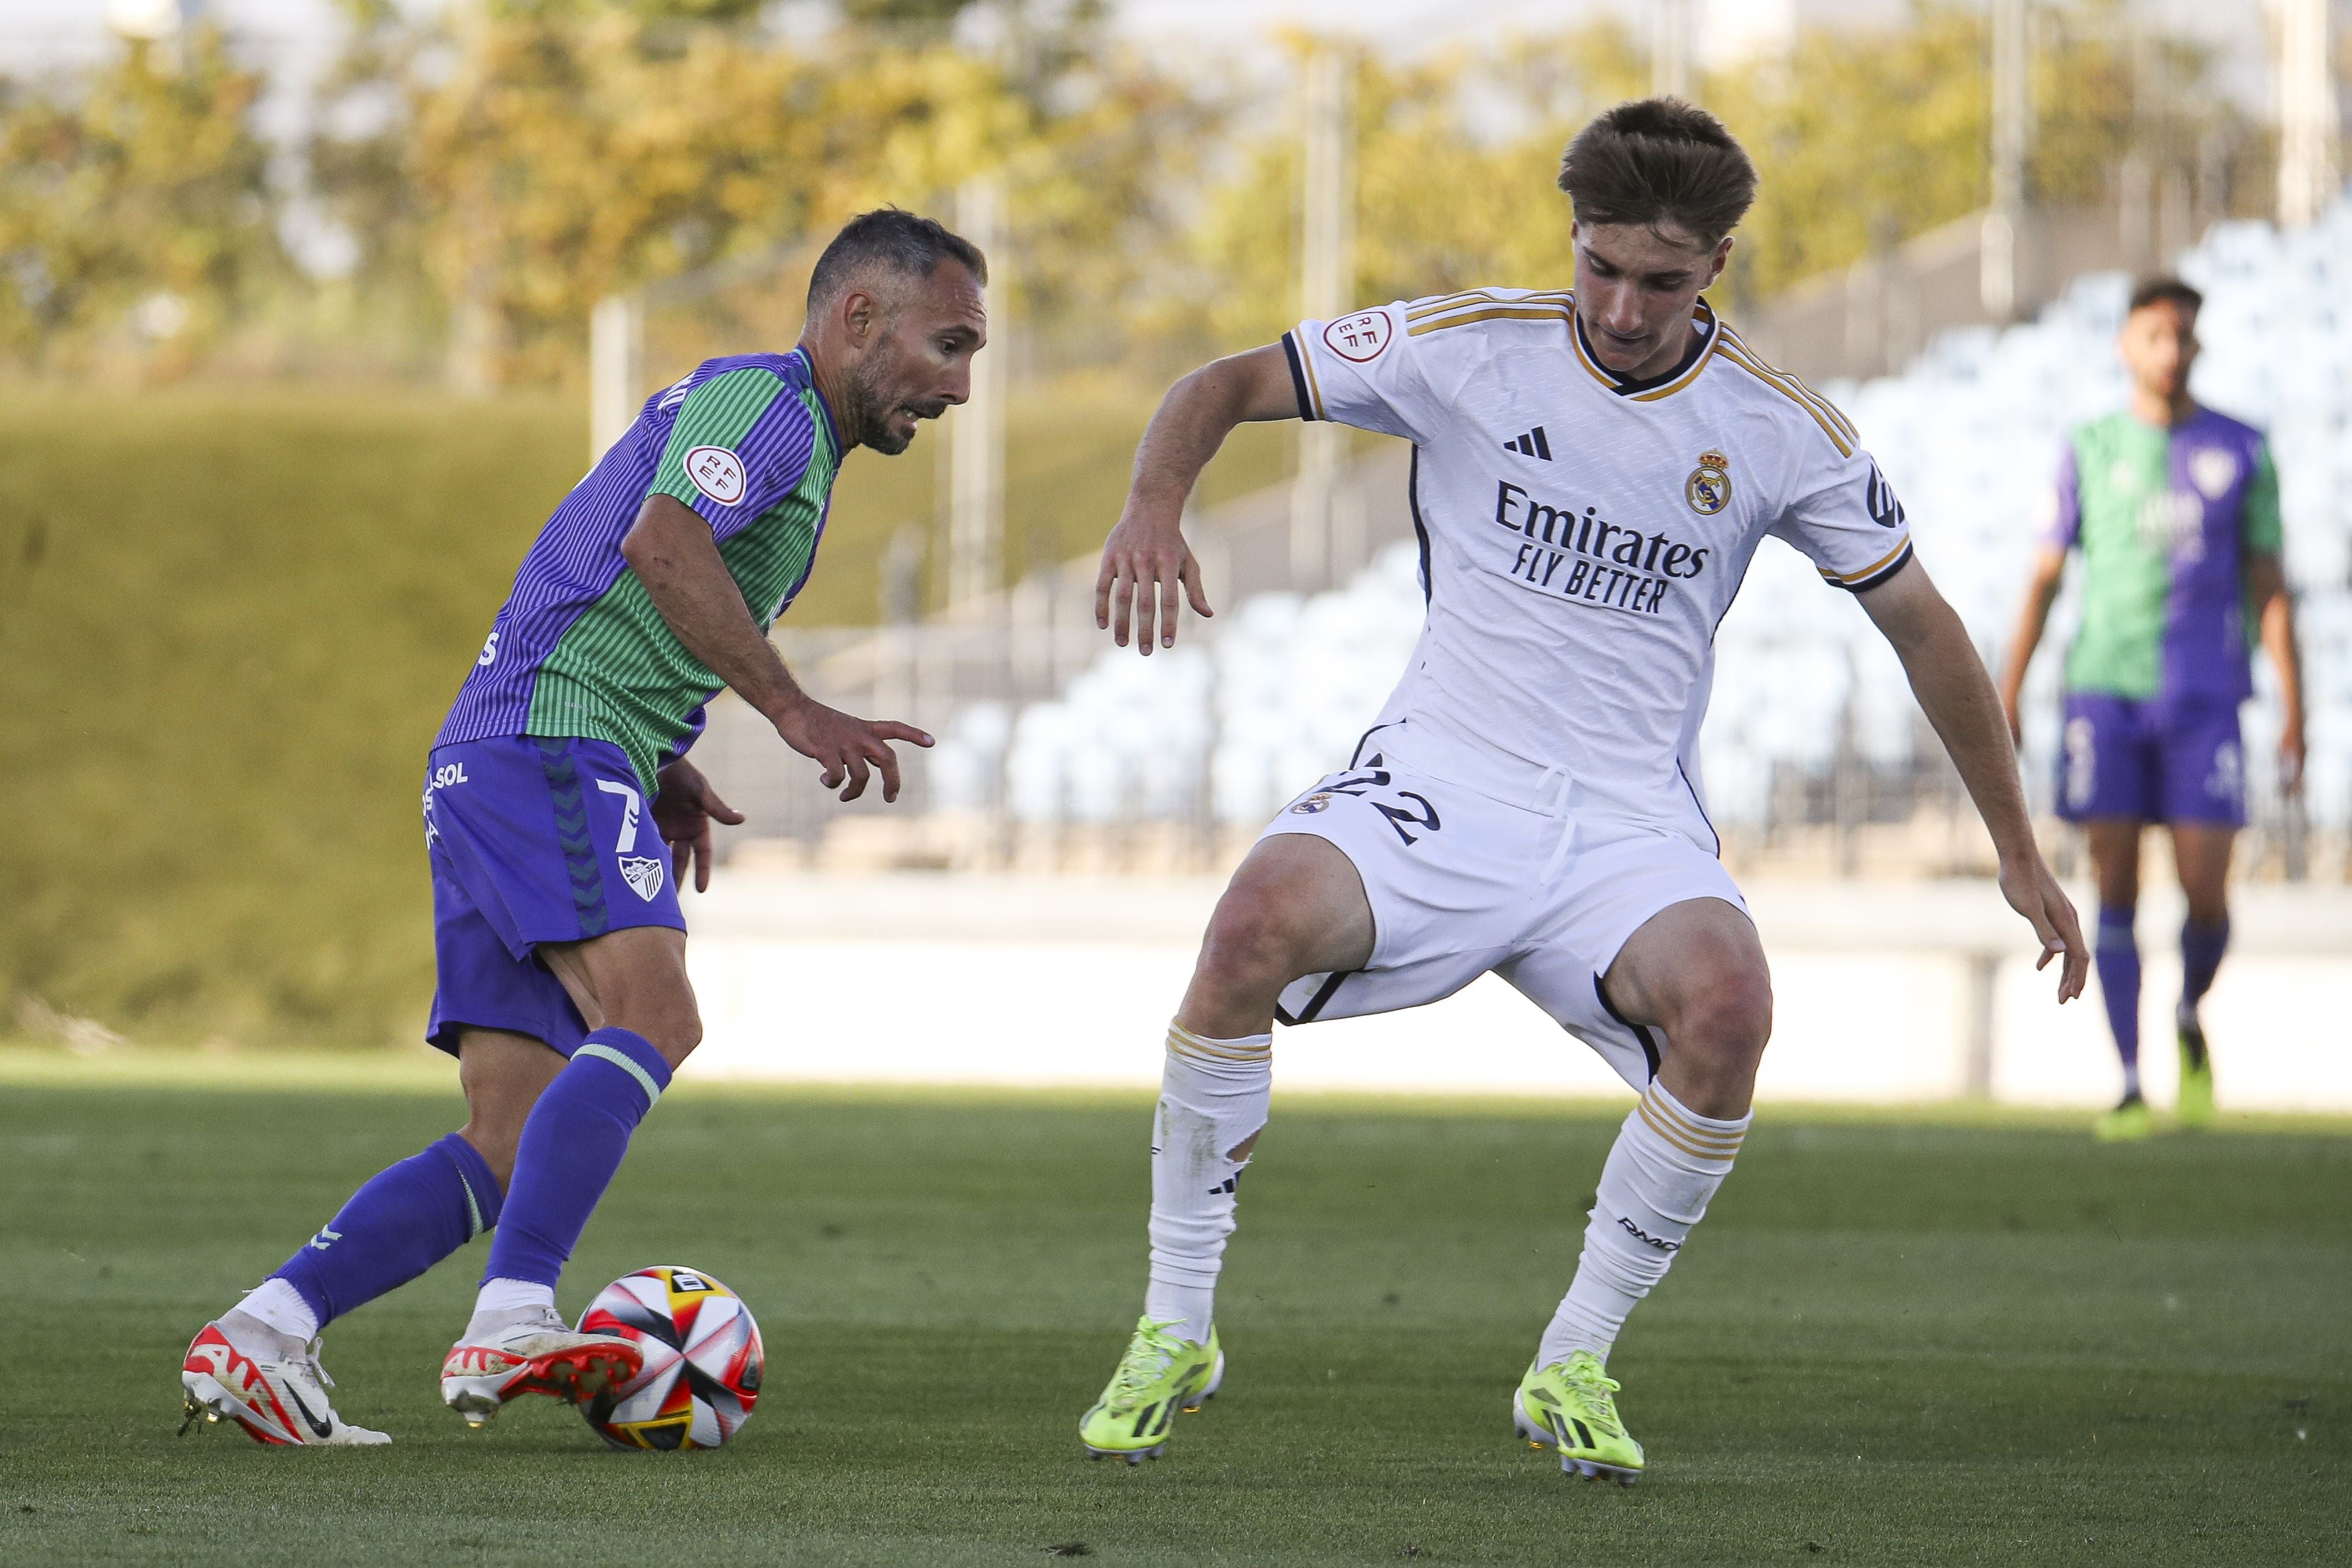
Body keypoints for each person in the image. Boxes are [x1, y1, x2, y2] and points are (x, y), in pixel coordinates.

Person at [1081, 99, 2087, 1484]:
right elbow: (1223, 384)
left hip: (1621, 819)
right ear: (1574, 241)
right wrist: (1154, 502)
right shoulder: (1467, 350)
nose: (1618, 309)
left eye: (1659, 282)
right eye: (1600, 268)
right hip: (1442, 771)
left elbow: (1921, 624)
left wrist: (2016, 851)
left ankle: (1574, 1360)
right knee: (1249, 924)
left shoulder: (1779, 430)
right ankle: (1174, 1327)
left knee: (1729, 1003)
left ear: (1715, 269)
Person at [178, 208, 982, 1445]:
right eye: (949, 343)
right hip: (548, 740)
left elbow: (617, 575)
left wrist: (664, 761)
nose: (961, 386)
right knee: (656, 1014)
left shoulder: (786, 440)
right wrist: (790, 707)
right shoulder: (768, 405)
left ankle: (268, 1329)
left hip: (505, 754)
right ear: (857, 317)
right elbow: (664, 545)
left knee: (505, 1138)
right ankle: (511, 1316)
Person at [1998, 276, 2303, 1142]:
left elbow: (2271, 587)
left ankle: (2187, 1011)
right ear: (2125, 345)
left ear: (2196, 347)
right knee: (2115, 886)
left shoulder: (2240, 448)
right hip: (2105, 696)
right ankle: (2131, 1081)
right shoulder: (2089, 446)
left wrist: (2296, 708)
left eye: (2181, 337)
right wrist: (2006, 690)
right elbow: (2044, 580)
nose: (2168, 351)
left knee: (2205, 893)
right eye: (2153, 335)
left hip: (2207, 699)